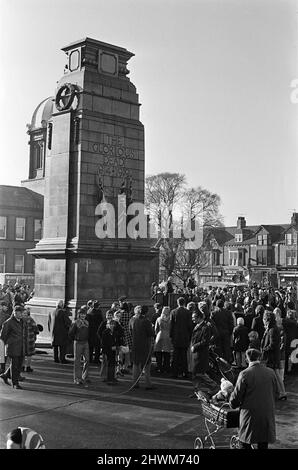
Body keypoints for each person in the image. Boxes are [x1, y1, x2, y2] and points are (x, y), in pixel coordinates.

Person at [229, 348, 279, 449]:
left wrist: (232, 404)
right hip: (267, 414)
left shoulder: (244, 374)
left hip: (249, 415)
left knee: (245, 441)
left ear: (247, 359)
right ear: (259, 358)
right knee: (263, 442)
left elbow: (236, 397)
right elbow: (276, 393)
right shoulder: (271, 372)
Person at [190, 309, 218, 397]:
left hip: (201, 354)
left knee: (200, 373)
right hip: (196, 353)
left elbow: (205, 341)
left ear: (199, 318)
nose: (192, 319)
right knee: (195, 374)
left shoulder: (205, 327)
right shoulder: (198, 326)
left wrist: (195, 346)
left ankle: (214, 387)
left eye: (194, 318)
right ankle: (197, 391)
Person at [129, 305, 155, 390]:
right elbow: (150, 333)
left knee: (136, 364)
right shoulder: (146, 321)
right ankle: (148, 383)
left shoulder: (132, 320)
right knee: (147, 365)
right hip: (145, 344)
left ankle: (135, 382)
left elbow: (130, 331)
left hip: (135, 344)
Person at [0, 305, 25, 389]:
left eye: (22, 312)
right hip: (13, 347)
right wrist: (10, 343)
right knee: (15, 366)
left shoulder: (22, 321)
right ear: (15, 313)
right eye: (20, 312)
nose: (22, 314)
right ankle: (15, 383)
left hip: (21, 347)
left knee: (19, 365)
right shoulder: (8, 322)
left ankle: (5, 375)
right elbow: (3, 336)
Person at [170, 297, 193, 379]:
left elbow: (171, 325)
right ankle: (185, 372)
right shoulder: (188, 312)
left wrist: (171, 335)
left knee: (175, 356)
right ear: (184, 303)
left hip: (176, 336)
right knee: (184, 356)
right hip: (185, 336)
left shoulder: (173, 312)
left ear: (177, 303)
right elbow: (190, 325)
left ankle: (174, 372)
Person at [68, 306, 90, 385]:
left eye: (84, 314)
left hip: (86, 342)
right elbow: (70, 333)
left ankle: (85, 376)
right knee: (77, 361)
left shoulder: (87, 322)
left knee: (87, 359)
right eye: (81, 314)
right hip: (78, 343)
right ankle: (77, 378)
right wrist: (75, 338)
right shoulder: (75, 323)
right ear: (79, 315)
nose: (83, 316)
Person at [154, 306, 172, 373]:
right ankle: (166, 367)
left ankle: (159, 367)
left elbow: (156, 329)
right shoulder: (171, 319)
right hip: (168, 336)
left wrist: (156, 334)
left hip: (160, 335)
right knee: (167, 353)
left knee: (158, 352)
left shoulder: (159, 319)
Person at [22, 306, 40, 372]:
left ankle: (22, 366)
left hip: (23, 339)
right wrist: (36, 333)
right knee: (29, 355)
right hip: (30, 339)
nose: (24, 314)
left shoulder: (20, 320)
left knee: (23, 354)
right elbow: (35, 328)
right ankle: (28, 367)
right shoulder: (30, 319)